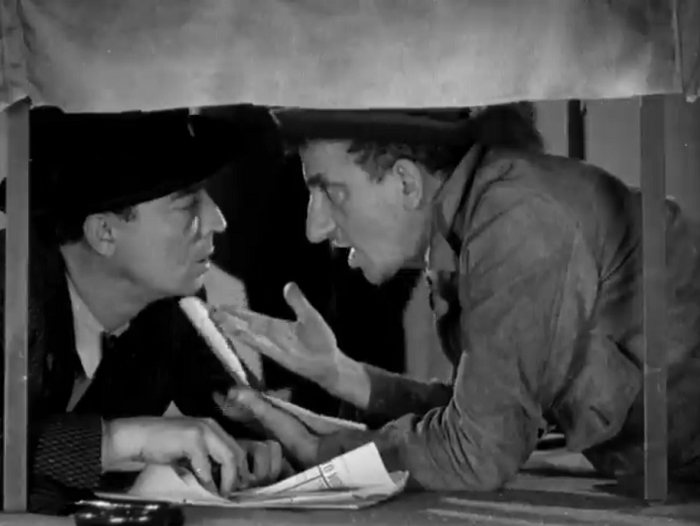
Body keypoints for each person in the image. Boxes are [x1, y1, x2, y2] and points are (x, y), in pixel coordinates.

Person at [211, 103, 700, 491]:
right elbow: (487, 410)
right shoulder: (477, 216)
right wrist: (341, 374)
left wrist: (325, 454)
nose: (314, 228)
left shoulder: (515, 221)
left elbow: (477, 450)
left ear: (406, 183)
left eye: (332, 193)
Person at [0, 107, 284, 514]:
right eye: (188, 204)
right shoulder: (11, 293)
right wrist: (119, 441)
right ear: (104, 232)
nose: (217, 221)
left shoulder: (168, 308)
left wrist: (249, 445)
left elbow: (228, 405)